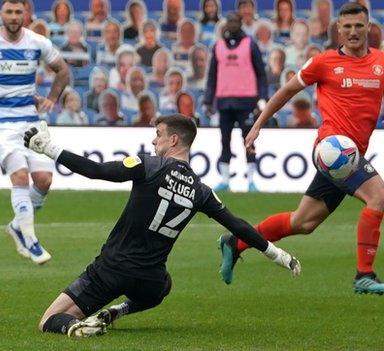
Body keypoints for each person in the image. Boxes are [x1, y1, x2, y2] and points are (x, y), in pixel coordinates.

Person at [24, 116, 301, 338]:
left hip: (111, 270)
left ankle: (74, 328)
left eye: (158, 134)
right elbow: (237, 225)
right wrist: (278, 255)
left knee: (48, 320)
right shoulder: (202, 190)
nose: (154, 139)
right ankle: (118, 312)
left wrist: (48, 148)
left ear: (174, 139)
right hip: (149, 279)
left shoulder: (148, 166)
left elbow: (97, 170)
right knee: (165, 285)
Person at [219, 3, 384, 295]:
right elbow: (285, 92)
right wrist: (257, 125)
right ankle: (364, 275)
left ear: (369, 27)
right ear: (338, 30)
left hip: (352, 153)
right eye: (347, 26)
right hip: (332, 149)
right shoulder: (324, 62)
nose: (354, 32)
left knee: (303, 222)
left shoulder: (380, 63)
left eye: (359, 25)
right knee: (378, 198)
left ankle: (236, 242)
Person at [0, 0, 70, 265]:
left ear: (25, 15)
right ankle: (30, 240)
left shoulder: (37, 42)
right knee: (20, 175)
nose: (13, 16)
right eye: (8, 11)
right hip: (0, 121)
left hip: (30, 119)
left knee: (43, 180)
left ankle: (17, 225)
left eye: (18, 12)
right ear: (1, 14)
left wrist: (52, 98)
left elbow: (63, 71)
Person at [204, 12, 268, 192]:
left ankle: (251, 181)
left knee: (248, 141)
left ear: (240, 23)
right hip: (224, 101)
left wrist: (262, 97)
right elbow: (212, 76)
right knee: (224, 140)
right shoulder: (218, 46)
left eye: (235, 21)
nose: (231, 24)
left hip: (246, 100)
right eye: (229, 21)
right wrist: (208, 100)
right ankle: (225, 180)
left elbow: (261, 74)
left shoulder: (250, 45)